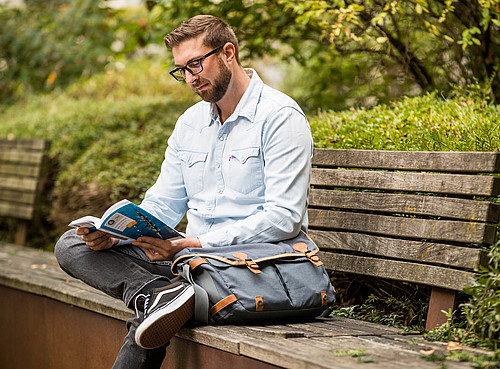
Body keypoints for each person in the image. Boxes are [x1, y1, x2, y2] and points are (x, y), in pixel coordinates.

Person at [54, 14, 313, 369]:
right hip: (190, 262)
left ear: (228, 53)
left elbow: (284, 218)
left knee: (149, 321)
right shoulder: (190, 123)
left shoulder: (280, 117)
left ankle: (164, 299)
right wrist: (118, 234)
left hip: (250, 268)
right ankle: (159, 295)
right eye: (182, 70)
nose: (191, 77)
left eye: (196, 64)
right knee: (71, 245)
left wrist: (197, 244)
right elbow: (164, 203)